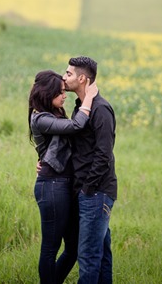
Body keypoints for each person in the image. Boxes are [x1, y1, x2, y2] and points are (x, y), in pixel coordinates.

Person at [28, 69, 98, 284]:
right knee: (51, 247)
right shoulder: (40, 118)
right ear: (47, 94)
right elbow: (77, 125)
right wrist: (90, 97)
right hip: (51, 185)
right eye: (60, 92)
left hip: (64, 184)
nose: (64, 95)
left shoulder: (55, 113)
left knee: (74, 248)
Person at [63, 56, 117, 284]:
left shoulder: (101, 109)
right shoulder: (80, 108)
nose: (64, 77)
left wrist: (87, 189)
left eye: (69, 73)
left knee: (88, 256)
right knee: (101, 254)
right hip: (87, 191)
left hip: (96, 192)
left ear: (82, 79)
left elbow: (103, 154)